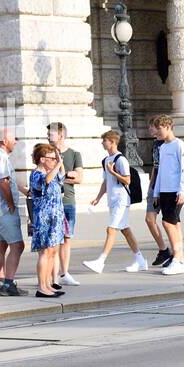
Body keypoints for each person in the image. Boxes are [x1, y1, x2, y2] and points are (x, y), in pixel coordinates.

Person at [83, 131, 146, 274]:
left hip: (122, 200)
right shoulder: (106, 160)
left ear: (112, 142)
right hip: (112, 200)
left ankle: (100, 262)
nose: (102, 143)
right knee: (125, 230)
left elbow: (127, 180)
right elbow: (106, 182)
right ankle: (141, 261)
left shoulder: (121, 159)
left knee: (111, 229)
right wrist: (98, 197)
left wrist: (113, 172)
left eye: (104, 140)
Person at [0, 129, 28, 296]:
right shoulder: (1, 158)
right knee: (17, 245)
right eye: (13, 139)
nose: (15, 141)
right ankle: (9, 284)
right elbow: (3, 182)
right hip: (3, 209)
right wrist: (10, 203)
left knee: (0, 246)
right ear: (4, 141)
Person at [151, 115, 184, 274]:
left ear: (167, 127)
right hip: (164, 190)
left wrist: (182, 190)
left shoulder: (179, 145)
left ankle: (178, 259)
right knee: (175, 223)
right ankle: (179, 258)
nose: (157, 132)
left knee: (167, 223)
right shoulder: (162, 147)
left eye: (159, 129)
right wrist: (156, 192)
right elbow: (160, 172)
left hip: (177, 190)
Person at [28, 143, 66, 298]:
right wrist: (58, 164)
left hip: (55, 218)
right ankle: (41, 286)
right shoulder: (37, 174)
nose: (54, 161)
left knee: (52, 252)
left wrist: (58, 160)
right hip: (44, 218)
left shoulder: (51, 172)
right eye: (51, 158)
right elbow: (47, 181)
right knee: (45, 252)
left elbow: (61, 176)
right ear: (42, 159)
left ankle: (48, 284)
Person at [48, 122, 83, 286]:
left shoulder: (74, 154)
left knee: (66, 239)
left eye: (51, 134)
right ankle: (50, 275)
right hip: (51, 203)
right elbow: (46, 178)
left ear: (61, 135)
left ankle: (64, 273)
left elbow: (80, 178)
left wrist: (63, 176)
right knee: (53, 241)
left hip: (68, 202)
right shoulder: (46, 154)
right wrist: (68, 175)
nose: (48, 136)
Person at [142, 116, 171, 267]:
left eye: (152, 127)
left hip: (165, 186)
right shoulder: (156, 144)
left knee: (169, 223)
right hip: (155, 186)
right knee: (149, 219)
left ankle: (171, 253)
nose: (150, 129)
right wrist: (151, 185)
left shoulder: (167, 144)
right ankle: (164, 250)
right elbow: (155, 166)